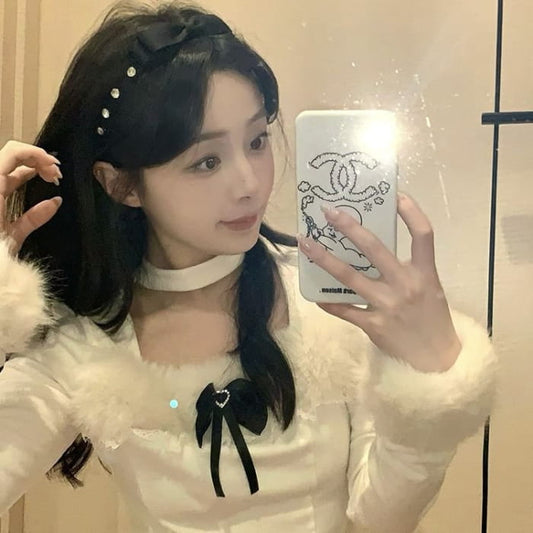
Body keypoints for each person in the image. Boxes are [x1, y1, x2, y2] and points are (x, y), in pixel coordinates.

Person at [0, 2, 497, 532]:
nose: (250, 182)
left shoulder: (326, 305)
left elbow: (380, 520)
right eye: (207, 161)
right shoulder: (81, 349)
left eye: (257, 140)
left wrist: (425, 393)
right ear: (121, 184)